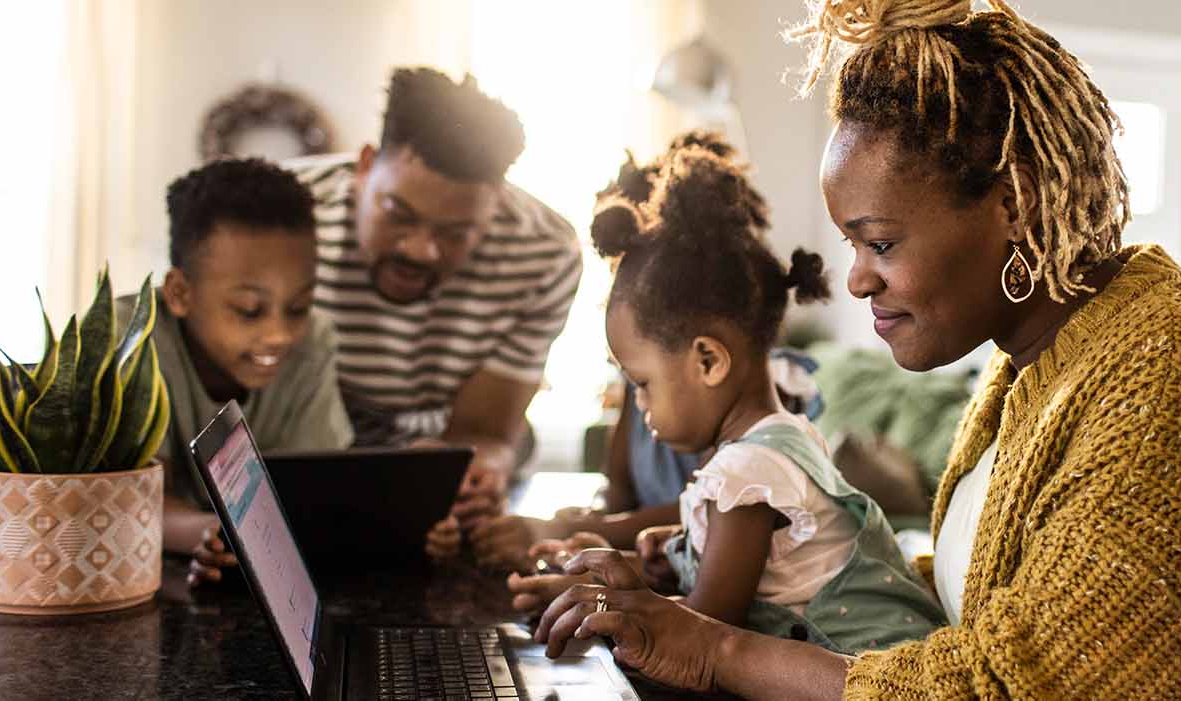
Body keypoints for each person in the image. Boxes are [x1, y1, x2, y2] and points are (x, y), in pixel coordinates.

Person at [526, 1, 1181, 698]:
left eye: (879, 241)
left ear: (1016, 202)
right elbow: (982, 603)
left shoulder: (1176, 370)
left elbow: (1031, 683)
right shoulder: (1024, 367)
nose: (857, 281)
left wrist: (713, 646)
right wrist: (695, 577)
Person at [512, 138, 946, 654]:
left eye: (642, 384)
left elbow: (702, 629)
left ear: (708, 361)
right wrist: (661, 554)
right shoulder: (775, 443)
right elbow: (756, 578)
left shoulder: (749, 471)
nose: (639, 405)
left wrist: (600, 602)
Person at [464, 135, 824, 569]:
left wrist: (565, 534)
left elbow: (719, 515)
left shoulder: (761, 411)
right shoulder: (649, 381)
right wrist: (587, 528)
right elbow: (621, 494)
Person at [284, 67, 582, 532]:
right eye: (398, 214)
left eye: (456, 233)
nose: (420, 250)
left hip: (435, 473)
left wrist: (473, 473)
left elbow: (485, 432)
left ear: (495, 203)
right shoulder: (282, 216)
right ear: (364, 166)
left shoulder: (545, 251)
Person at [140, 158, 353, 585]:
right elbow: (136, 502)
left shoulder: (314, 342)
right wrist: (217, 534)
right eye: (249, 310)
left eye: (298, 307)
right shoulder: (135, 343)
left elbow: (315, 491)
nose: (279, 335)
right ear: (180, 293)